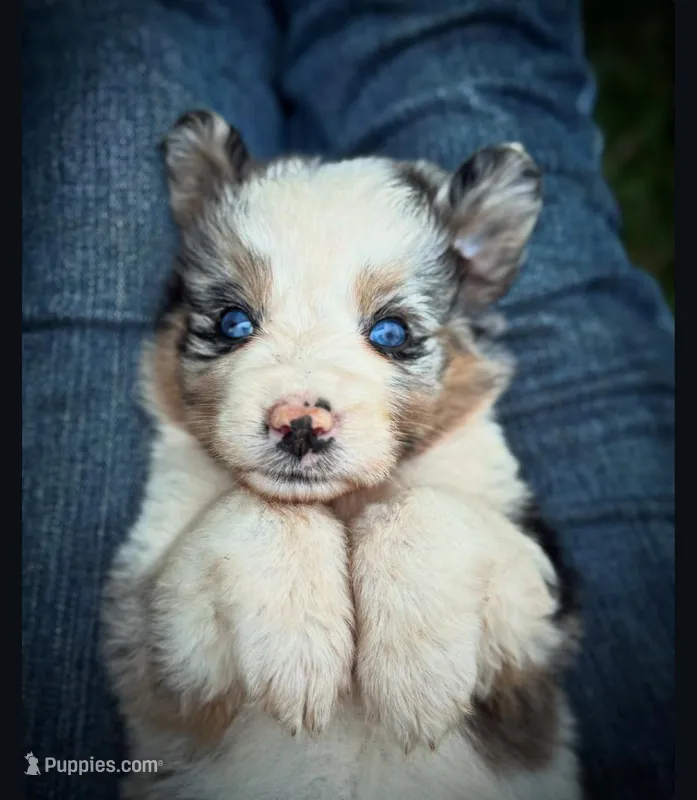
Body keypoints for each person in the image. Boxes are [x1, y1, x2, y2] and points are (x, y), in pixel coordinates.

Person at [22, 1, 674, 798]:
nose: (299, 410)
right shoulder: (187, 454)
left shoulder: (462, 452)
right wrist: (253, 536)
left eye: (392, 336)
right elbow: (169, 675)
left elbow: (527, 645)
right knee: (463, 57)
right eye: (233, 321)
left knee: (123, 65)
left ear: (466, 305)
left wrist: (422, 532)